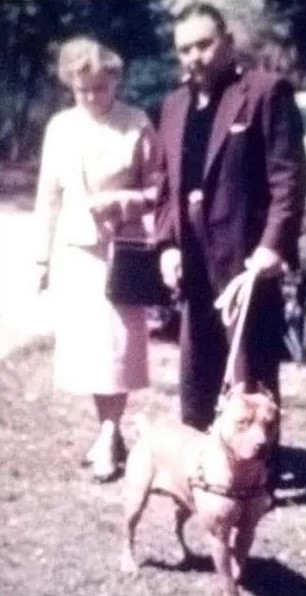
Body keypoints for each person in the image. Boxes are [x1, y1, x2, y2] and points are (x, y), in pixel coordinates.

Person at [155, 2, 306, 491]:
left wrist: (273, 246)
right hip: (193, 257)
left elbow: (289, 179)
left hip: (247, 258)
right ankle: (203, 469)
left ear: (226, 42)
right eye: (185, 49)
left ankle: (258, 476)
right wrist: (167, 246)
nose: (195, 57)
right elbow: (165, 184)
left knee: (250, 368)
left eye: (203, 44)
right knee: (196, 364)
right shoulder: (175, 104)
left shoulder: (264, 93)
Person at [34, 36, 157, 482]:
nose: (90, 97)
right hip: (75, 253)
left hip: (121, 253)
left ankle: (109, 434)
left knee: (118, 349)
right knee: (90, 353)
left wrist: (126, 200)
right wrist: (41, 260)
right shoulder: (60, 128)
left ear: (114, 81)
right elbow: (48, 196)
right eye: (81, 89)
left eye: (99, 88)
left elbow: (160, 189)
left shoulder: (137, 123)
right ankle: (109, 429)